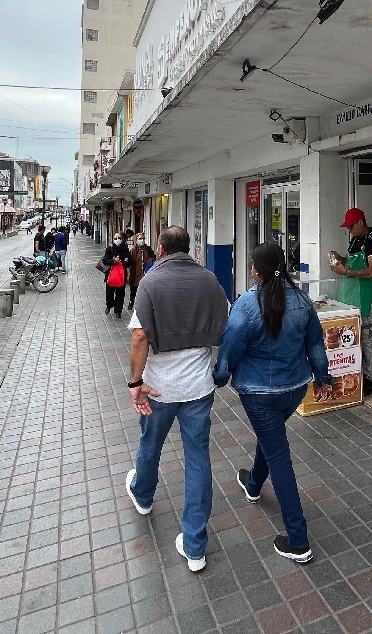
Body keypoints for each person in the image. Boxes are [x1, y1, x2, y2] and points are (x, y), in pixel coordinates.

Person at [215, 243, 331, 564]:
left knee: (279, 456)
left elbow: (230, 349)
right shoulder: (303, 301)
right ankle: (253, 484)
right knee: (272, 438)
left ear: (256, 271)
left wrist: (220, 374)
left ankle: (298, 539)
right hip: (294, 389)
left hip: (259, 395)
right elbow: (316, 345)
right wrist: (322, 378)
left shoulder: (246, 305)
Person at [124, 226, 229, 573]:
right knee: (198, 458)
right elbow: (226, 323)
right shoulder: (210, 280)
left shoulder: (151, 283)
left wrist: (135, 383)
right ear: (189, 248)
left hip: (158, 388)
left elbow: (140, 336)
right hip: (198, 388)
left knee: (150, 443)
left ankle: (142, 494)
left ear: (161, 248)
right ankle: (195, 545)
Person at [329, 207, 372, 396]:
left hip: (365, 296)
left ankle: (370, 376)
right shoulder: (355, 240)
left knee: (366, 336)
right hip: (349, 295)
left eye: (351, 227)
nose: (349, 231)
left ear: (360, 222)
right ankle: (352, 372)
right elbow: (350, 260)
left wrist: (346, 272)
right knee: (350, 335)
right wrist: (340, 259)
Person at [101, 232, 132, 317]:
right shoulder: (110, 249)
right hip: (111, 275)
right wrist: (113, 261)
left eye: (119, 238)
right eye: (115, 238)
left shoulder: (125, 249)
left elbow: (130, 262)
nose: (117, 240)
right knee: (109, 293)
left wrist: (124, 261)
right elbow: (105, 260)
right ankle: (109, 305)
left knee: (120, 294)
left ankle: (118, 311)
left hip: (121, 275)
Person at [128, 233, 156, 311]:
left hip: (146, 273)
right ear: (136, 240)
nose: (142, 240)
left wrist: (151, 259)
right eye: (140, 239)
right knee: (134, 290)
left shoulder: (148, 249)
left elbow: (153, 256)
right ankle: (131, 302)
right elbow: (130, 262)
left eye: (143, 238)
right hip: (136, 274)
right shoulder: (133, 250)